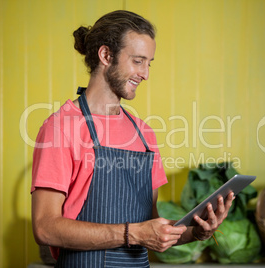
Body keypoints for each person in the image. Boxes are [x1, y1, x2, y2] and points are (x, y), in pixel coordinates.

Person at [31, 10, 234, 268]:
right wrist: (133, 233)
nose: (146, 73)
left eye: (149, 63)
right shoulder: (61, 128)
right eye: (138, 61)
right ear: (106, 55)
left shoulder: (144, 134)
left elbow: (151, 225)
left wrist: (196, 231)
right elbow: (45, 228)